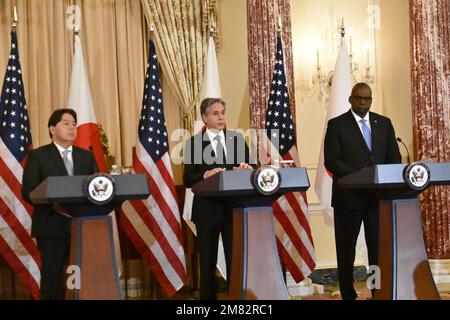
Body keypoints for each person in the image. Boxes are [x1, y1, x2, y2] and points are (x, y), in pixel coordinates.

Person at [324, 82, 401, 300]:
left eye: (367, 99)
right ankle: (348, 293)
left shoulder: (383, 124)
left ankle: (377, 290)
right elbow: (332, 161)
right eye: (359, 98)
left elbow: (393, 157)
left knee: (377, 251)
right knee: (346, 250)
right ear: (350, 98)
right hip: (348, 199)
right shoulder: (337, 125)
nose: (363, 102)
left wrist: (383, 177)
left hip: (378, 200)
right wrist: (361, 176)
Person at [22, 108, 98, 300]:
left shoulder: (86, 156)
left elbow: (96, 187)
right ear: (52, 129)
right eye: (66, 123)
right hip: (51, 225)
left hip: (83, 227)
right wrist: (56, 206)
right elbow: (28, 191)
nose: (72, 127)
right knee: (52, 277)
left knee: (83, 275)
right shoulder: (38, 156)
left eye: (74, 124)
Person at [183, 98, 253, 300]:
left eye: (223, 112)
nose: (221, 116)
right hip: (206, 209)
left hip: (234, 208)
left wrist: (247, 169)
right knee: (207, 262)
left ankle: (236, 300)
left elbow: (251, 166)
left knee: (235, 260)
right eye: (215, 113)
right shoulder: (194, 144)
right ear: (204, 117)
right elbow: (188, 178)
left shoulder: (237, 140)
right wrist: (206, 175)